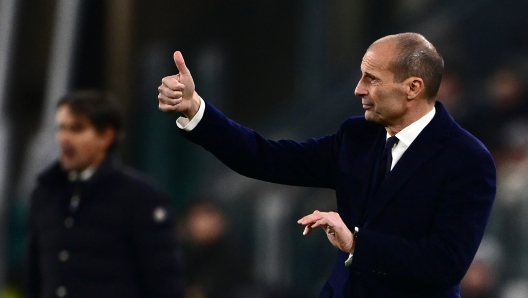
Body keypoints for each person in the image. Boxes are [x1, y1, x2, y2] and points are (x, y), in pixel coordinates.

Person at [158, 33, 496, 297]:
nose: (358, 89)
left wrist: (357, 244)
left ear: (413, 87)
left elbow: (445, 264)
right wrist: (197, 111)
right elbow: (266, 158)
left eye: (372, 79)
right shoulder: (357, 136)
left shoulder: (467, 160)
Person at [28, 90, 184, 298]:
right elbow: (35, 278)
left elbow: (164, 285)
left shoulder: (140, 199)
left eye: (77, 128)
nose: (64, 138)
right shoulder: (46, 193)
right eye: (62, 128)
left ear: (106, 136)